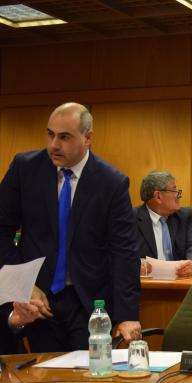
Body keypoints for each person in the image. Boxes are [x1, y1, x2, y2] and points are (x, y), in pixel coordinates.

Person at [0, 103, 141, 352]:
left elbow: (124, 252)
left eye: (64, 137)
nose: (54, 145)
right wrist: (22, 284)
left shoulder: (111, 182)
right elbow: (2, 229)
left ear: (88, 138)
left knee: (88, 373)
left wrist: (127, 314)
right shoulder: (25, 168)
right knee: (42, 372)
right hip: (38, 301)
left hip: (89, 303)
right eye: (50, 134)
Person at [134, 171, 192, 277]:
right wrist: (135, 265)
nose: (179, 195)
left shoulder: (184, 216)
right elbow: (122, 252)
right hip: (145, 282)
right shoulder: (131, 219)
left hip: (179, 281)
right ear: (158, 196)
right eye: (174, 190)